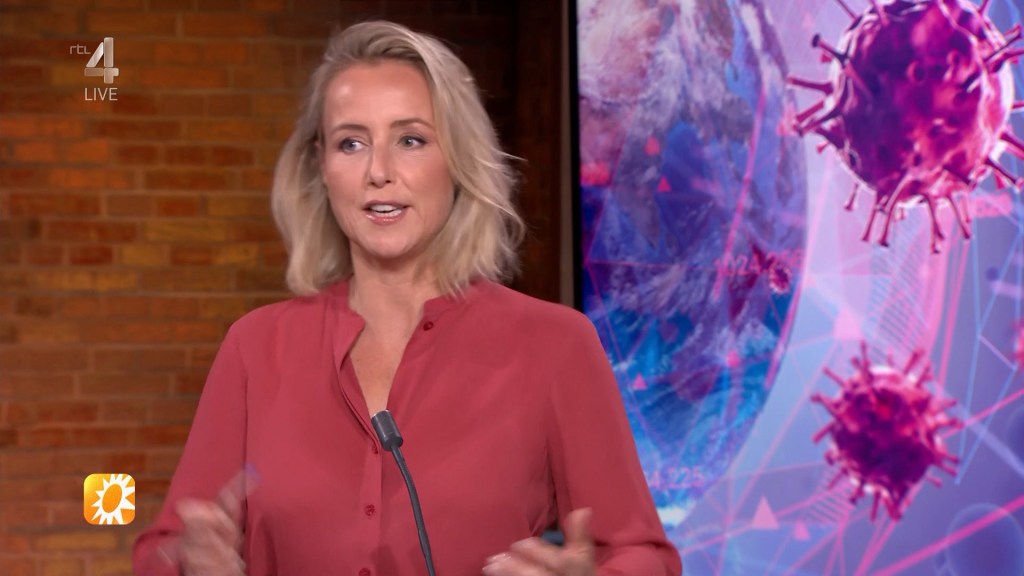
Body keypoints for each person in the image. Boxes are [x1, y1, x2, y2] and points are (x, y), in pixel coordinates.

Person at [132, 20, 682, 576]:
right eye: (351, 143)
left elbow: (642, 556)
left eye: (411, 140)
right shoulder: (255, 347)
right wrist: (188, 563)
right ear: (322, 167)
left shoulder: (555, 345)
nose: (378, 172)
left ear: (457, 158)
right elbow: (164, 549)